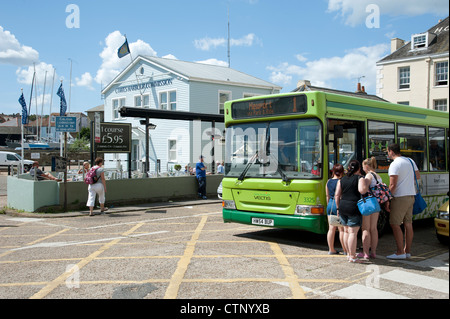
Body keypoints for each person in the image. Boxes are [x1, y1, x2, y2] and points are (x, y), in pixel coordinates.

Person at [386, 143, 419, 259]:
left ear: (391, 151)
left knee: (394, 223)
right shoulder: (410, 160)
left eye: (388, 151)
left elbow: (392, 184)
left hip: (400, 197)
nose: (387, 154)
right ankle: (407, 251)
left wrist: (388, 198)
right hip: (411, 195)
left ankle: (400, 252)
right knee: (408, 224)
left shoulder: (395, 164)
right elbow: (417, 176)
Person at [334, 160, 367, 263]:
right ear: (358, 169)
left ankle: (348, 253)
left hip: (343, 206)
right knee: (353, 232)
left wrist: (338, 208)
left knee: (346, 231)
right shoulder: (359, 178)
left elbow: (337, 195)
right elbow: (362, 190)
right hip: (354, 206)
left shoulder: (342, 179)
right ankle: (353, 256)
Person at [358, 157, 383, 259]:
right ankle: (373, 252)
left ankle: (365, 253)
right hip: (376, 204)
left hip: (368, 203)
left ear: (367, 166)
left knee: (365, 229)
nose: (363, 168)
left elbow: (364, 189)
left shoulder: (369, 175)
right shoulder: (378, 176)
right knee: (374, 229)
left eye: (363, 166)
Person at [326, 163, 347, 255]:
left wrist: (329, 205)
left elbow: (327, 195)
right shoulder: (341, 181)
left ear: (333, 171)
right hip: (339, 204)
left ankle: (331, 249)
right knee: (341, 229)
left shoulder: (328, 181)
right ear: (342, 172)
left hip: (330, 204)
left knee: (331, 229)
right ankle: (345, 250)